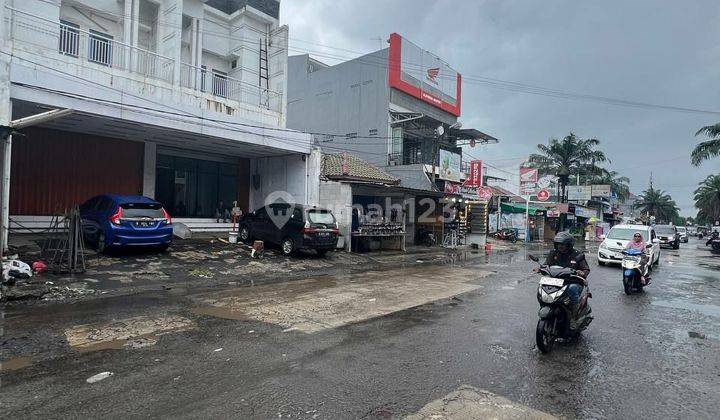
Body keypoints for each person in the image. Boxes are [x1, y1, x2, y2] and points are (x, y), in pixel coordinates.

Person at [540, 231, 590, 329]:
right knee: (542, 286)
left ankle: (573, 317)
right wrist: (541, 268)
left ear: (569, 245)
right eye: (558, 244)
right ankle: (546, 307)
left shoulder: (577, 255)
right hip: (557, 281)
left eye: (563, 244)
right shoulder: (553, 253)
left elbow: (586, 269)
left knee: (572, 289)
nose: (560, 246)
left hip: (573, 282)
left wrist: (582, 272)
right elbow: (546, 264)